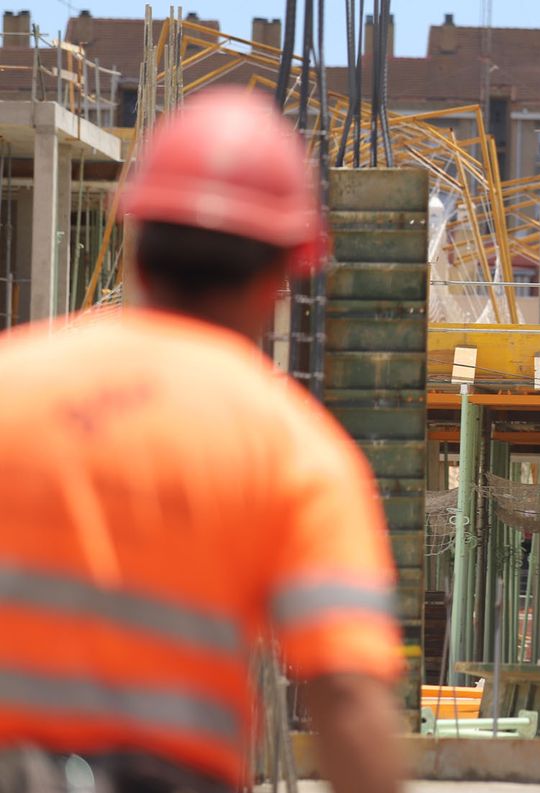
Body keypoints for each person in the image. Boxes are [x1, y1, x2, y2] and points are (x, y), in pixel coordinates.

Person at [0, 88, 404, 793]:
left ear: (132, 238)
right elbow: (347, 696)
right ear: (283, 274)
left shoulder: (12, 383)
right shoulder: (296, 449)